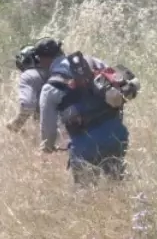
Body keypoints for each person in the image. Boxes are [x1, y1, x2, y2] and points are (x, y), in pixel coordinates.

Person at [36, 38, 140, 185]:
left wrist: (48, 147)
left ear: (42, 60)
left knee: (86, 195)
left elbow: (48, 130)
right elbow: (116, 84)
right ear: (60, 51)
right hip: (117, 134)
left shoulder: (50, 88)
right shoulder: (92, 62)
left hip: (84, 146)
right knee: (117, 182)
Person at [5, 42, 50, 133]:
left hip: (50, 128)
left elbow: (27, 106)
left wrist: (17, 124)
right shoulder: (53, 70)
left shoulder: (28, 76)